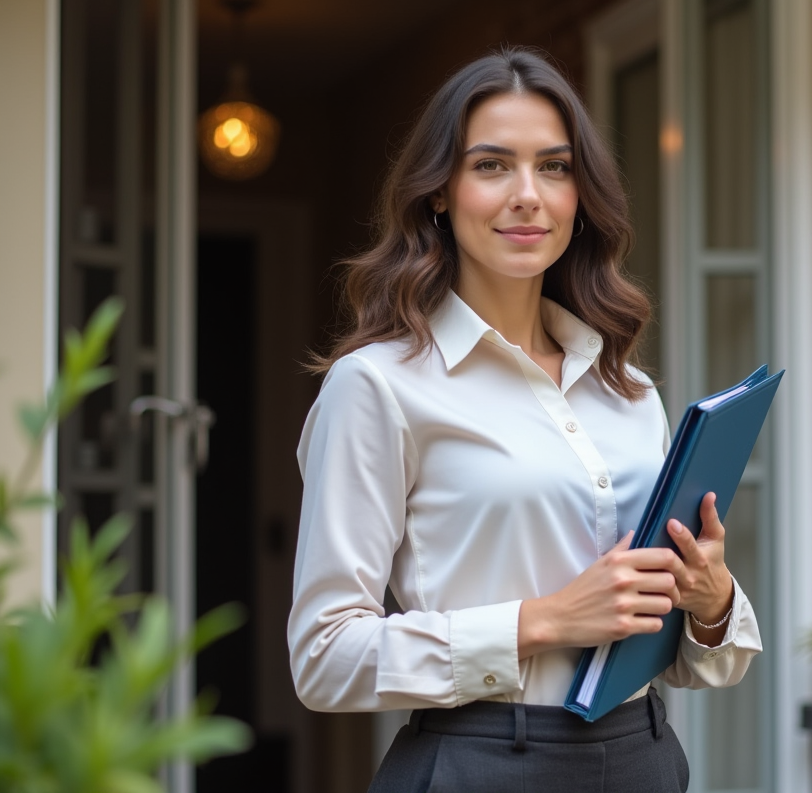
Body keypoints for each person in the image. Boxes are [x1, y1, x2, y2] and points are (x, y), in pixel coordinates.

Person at [287, 48, 762, 792]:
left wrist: (710, 601)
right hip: (479, 762)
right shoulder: (377, 386)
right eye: (491, 166)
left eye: (554, 166)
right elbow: (324, 657)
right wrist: (541, 622)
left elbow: (697, 655)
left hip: (644, 756)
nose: (528, 196)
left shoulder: (628, 389)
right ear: (439, 192)